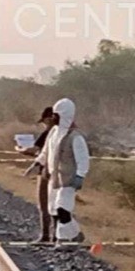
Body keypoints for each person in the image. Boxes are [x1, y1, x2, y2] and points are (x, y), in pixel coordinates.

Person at [33, 98, 90, 244]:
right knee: (53, 209)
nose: (53, 118)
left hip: (68, 180)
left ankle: (63, 240)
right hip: (54, 179)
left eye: (56, 115)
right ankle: (75, 234)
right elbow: (46, 151)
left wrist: (80, 176)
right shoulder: (53, 133)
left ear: (64, 116)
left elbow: (83, 159)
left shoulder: (75, 138)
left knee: (62, 209)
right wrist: (39, 161)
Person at [19, 106, 57, 242]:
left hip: (45, 172)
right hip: (59, 173)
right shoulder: (63, 133)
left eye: (44, 121)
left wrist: (20, 149)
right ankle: (56, 236)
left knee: (44, 204)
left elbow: (36, 151)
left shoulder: (48, 133)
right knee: (56, 204)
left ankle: (46, 235)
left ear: (49, 119)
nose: (44, 124)